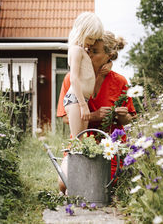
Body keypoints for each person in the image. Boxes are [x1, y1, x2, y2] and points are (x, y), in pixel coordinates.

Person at [57, 31, 136, 194]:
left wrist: (122, 116)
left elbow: (130, 119)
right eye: (88, 50)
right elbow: (65, 118)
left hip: (111, 147)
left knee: (106, 185)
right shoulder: (71, 78)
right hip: (81, 143)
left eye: (95, 52)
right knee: (64, 184)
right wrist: (94, 116)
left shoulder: (120, 81)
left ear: (109, 56)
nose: (88, 54)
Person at [64, 12, 104, 138]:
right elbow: (74, 78)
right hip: (76, 99)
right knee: (77, 141)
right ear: (81, 32)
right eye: (90, 38)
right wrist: (82, 105)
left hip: (81, 100)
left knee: (81, 141)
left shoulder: (82, 50)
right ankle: (69, 159)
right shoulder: (76, 50)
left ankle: (75, 158)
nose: (92, 43)